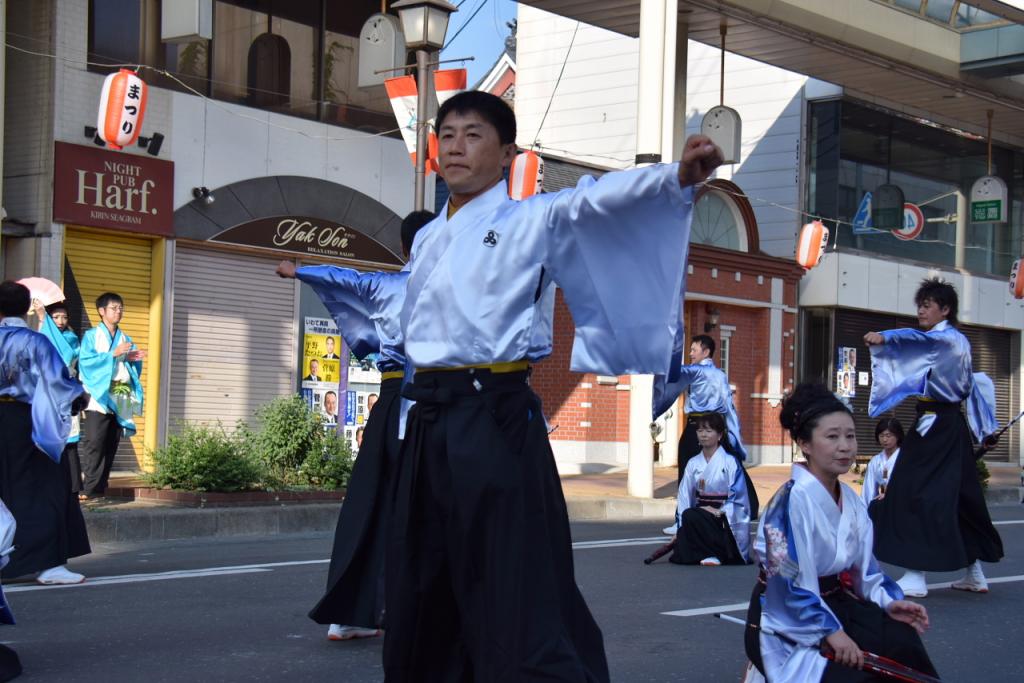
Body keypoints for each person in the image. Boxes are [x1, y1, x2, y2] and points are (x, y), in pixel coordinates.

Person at [385, 90, 722, 682]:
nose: (456, 147)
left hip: (492, 418)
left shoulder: (529, 218)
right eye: (448, 135)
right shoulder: (431, 236)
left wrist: (675, 179)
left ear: (506, 151)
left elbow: (593, 201)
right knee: (425, 574)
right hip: (430, 420)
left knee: (509, 577)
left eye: (473, 134)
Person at [278, 209, 436, 642]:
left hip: (387, 406)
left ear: (403, 247)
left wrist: (299, 271)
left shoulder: (385, 285)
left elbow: (343, 278)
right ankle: (416, 610)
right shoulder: (446, 289)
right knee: (426, 507)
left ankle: (348, 613)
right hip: (428, 405)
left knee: (369, 503)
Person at [744, 383, 937, 683]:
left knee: (902, 642)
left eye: (850, 435)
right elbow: (784, 581)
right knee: (853, 677)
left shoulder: (853, 502)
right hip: (787, 618)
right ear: (804, 444)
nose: (845, 446)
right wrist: (830, 632)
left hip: (838, 604)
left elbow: (866, 571)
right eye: (832, 437)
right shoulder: (787, 504)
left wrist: (889, 602)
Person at [864, 278, 1003, 597]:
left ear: (945, 309)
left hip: (935, 425)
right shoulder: (957, 342)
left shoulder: (944, 340)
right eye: (920, 305)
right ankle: (974, 571)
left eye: (928, 305)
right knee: (959, 496)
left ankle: (915, 574)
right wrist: (985, 430)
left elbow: (914, 340)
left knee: (913, 492)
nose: (921, 311)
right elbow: (976, 385)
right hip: (947, 425)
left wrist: (886, 336)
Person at [0, 281, 91, 587]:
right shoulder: (35, 341)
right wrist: (79, 398)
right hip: (27, 420)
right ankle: (48, 565)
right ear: (26, 308)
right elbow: (58, 382)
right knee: (45, 488)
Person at [661, 334, 757, 535]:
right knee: (722, 471)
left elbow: (672, 374)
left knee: (687, 474)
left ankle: (682, 519)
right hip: (716, 428)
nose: (690, 353)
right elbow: (729, 407)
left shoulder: (696, 371)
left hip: (696, 426)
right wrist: (733, 437)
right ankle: (730, 511)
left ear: (705, 351)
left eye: (694, 350)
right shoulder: (721, 375)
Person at [78, 292, 145, 500]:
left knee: (111, 441)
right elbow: (86, 362)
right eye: (114, 308)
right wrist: (113, 354)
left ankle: (100, 486)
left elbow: (132, 366)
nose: (119, 312)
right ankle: (90, 488)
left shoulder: (126, 338)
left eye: (120, 308)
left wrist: (135, 357)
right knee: (95, 441)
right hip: (98, 393)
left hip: (119, 389)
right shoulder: (91, 335)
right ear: (102, 311)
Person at [669, 412, 753, 567]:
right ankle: (708, 552)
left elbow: (739, 498)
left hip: (723, 516)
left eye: (708, 431)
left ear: (720, 435)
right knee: (688, 517)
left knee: (694, 520)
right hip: (700, 514)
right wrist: (681, 528)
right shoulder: (693, 463)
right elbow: (684, 497)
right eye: (700, 431)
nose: (703, 435)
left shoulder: (730, 462)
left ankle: (714, 553)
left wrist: (719, 511)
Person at [33, 300, 84, 496]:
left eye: (64, 317)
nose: (61, 321)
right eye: (55, 317)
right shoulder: (41, 335)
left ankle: (74, 487)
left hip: (65, 392)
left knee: (70, 442)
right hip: (45, 393)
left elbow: (64, 356)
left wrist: (43, 318)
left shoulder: (70, 339)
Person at [860, 418, 903, 512]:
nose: (884, 439)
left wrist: (891, 494)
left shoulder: (905, 459)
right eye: (881, 435)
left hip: (901, 505)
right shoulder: (875, 461)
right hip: (881, 507)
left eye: (888, 435)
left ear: (897, 436)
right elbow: (868, 489)